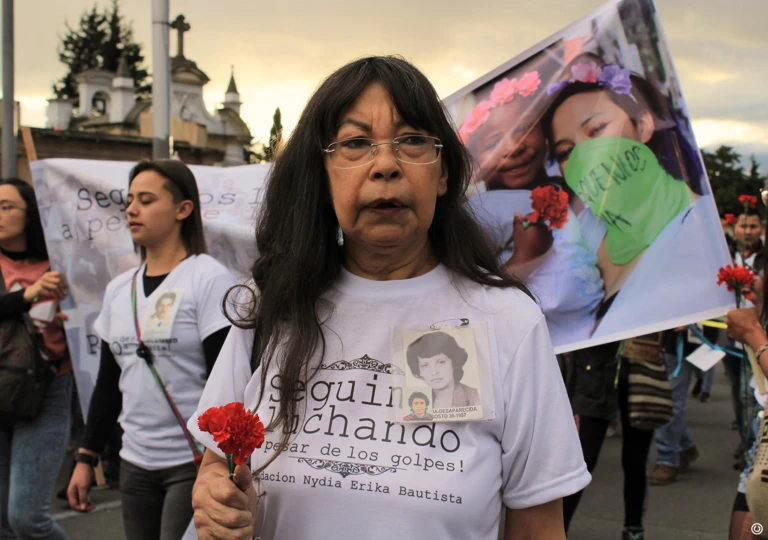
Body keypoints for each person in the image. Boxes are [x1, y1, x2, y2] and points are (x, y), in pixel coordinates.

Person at [188, 56, 590, 540]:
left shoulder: (506, 320)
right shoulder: (273, 305)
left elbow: (537, 528)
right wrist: (216, 495)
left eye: (413, 141)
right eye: (356, 144)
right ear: (323, 173)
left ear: (443, 175)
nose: (385, 165)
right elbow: (217, 463)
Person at [66, 160, 236, 540]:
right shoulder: (118, 288)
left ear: (183, 209)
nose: (131, 209)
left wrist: (224, 463)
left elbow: (225, 381)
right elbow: (109, 384)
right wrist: (85, 457)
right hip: (134, 463)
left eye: (145, 199)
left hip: (191, 462)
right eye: (129, 201)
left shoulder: (208, 278)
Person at [541, 58, 732, 338]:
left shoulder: (701, 230)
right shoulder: (582, 227)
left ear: (642, 126)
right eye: (566, 151)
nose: (585, 156)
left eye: (596, 130)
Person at [458, 52, 604, 346]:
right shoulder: (473, 217)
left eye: (524, 128)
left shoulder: (579, 193)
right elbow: (465, 309)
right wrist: (523, 259)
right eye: (493, 142)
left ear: (545, 130)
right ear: (473, 158)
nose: (514, 148)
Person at [0, 178, 73, 540]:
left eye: (6, 206)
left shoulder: (60, 261)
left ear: (30, 213)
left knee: (26, 517)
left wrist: (70, 320)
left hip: (46, 390)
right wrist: (26, 297)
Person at [559, 341, 655, 540]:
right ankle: (557, 528)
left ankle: (634, 528)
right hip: (593, 369)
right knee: (583, 458)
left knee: (635, 460)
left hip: (642, 368)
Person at [405, 330, 480, 408]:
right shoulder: (419, 403)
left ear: (454, 363)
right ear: (419, 371)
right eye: (425, 365)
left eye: (441, 362)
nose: (434, 372)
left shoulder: (476, 397)